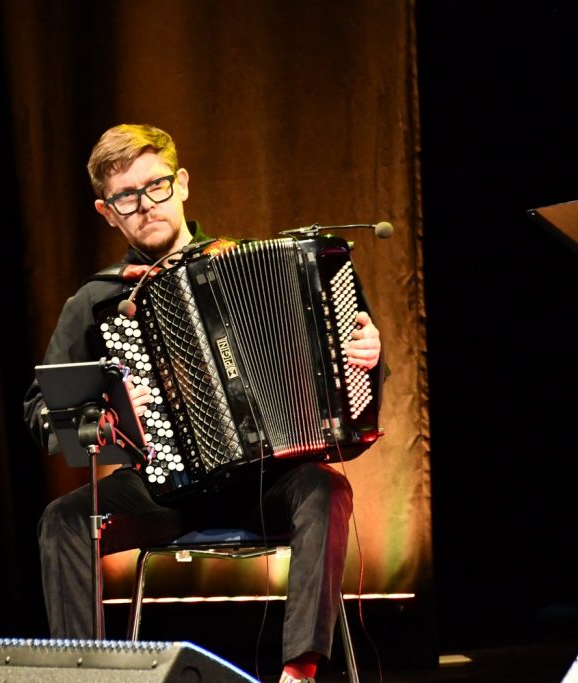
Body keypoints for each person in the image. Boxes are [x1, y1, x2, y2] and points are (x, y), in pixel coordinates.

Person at [23, 123, 381, 683]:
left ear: (182, 183)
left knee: (326, 487)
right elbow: (45, 409)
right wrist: (111, 414)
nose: (145, 206)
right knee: (63, 520)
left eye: (156, 186)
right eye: (125, 197)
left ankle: (299, 673)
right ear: (106, 211)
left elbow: (339, 360)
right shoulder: (96, 300)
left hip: (264, 482)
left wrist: (365, 354)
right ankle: (82, 677)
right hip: (160, 491)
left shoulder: (242, 260)